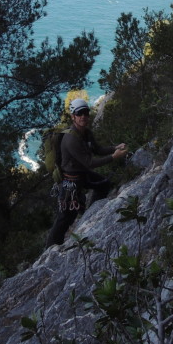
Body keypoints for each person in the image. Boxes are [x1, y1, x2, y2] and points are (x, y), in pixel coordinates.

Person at [45, 97, 128, 248]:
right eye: (79, 113)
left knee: (104, 185)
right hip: (71, 180)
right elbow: (89, 162)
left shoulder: (86, 133)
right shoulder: (71, 139)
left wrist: (115, 147)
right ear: (73, 116)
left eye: (86, 112)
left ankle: (92, 214)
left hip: (81, 175)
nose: (83, 116)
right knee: (66, 216)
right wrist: (114, 157)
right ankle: (51, 247)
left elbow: (98, 150)